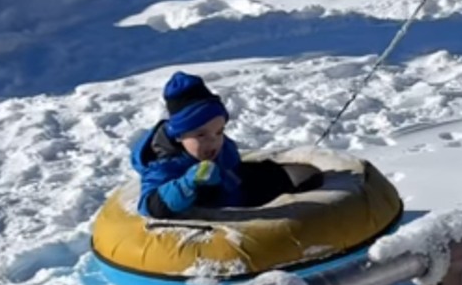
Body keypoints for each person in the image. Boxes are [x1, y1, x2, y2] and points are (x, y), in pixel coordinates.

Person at [133, 72, 322, 219]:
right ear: (179, 136)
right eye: (201, 134)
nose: (213, 141)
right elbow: (149, 205)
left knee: (303, 177)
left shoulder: (218, 146)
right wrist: (187, 184)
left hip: (232, 188)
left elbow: (235, 169)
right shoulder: (164, 163)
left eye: (219, 131)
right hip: (213, 207)